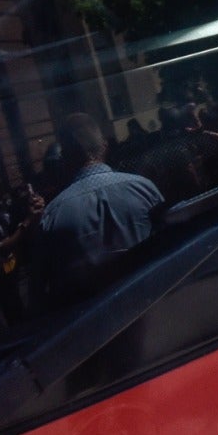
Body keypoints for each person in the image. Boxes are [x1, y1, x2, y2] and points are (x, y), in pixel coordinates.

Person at [37, 113, 164, 304]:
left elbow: (47, 286)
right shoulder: (144, 189)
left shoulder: (53, 214)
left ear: (65, 158)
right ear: (104, 146)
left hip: (95, 323)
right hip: (154, 302)